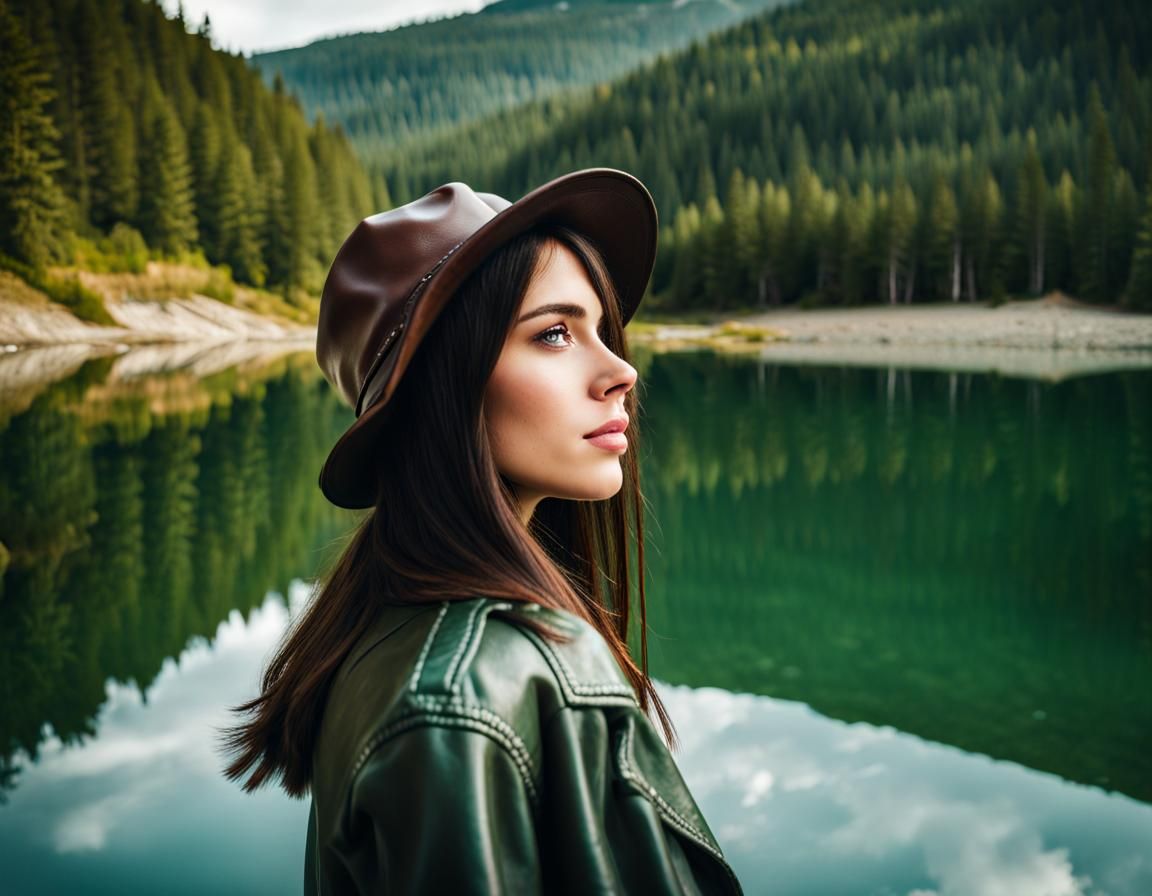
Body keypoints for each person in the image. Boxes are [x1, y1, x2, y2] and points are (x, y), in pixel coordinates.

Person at [222, 168, 743, 895]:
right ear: (447, 379)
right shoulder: (465, 704)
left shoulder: (391, 624)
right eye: (555, 334)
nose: (621, 370)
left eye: (601, 330)